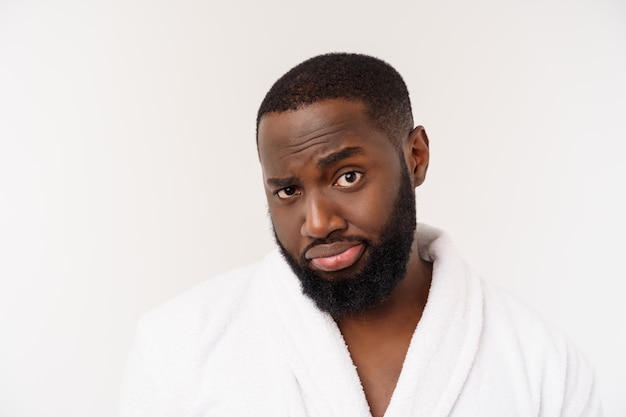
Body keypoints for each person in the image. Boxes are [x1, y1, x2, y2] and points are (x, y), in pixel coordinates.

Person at [119, 53, 601, 416]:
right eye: (287, 191)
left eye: (347, 176)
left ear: (416, 157)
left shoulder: (544, 368)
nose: (317, 222)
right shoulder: (178, 349)